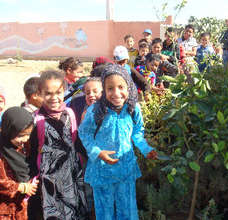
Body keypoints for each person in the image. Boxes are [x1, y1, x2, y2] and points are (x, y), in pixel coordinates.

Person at [78, 64, 157, 219]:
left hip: (125, 169)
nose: (116, 93)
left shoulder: (133, 109)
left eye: (121, 87)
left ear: (129, 87)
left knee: (127, 208)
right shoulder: (95, 110)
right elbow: (84, 132)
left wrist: (146, 149)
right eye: (110, 88)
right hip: (102, 170)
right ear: (104, 90)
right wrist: (97, 152)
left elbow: (137, 133)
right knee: (104, 211)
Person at [28, 70, 88, 220]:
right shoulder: (35, 120)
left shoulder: (69, 114)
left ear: (64, 91)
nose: (54, 98)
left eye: (58, 92)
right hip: (49, 180)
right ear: (40, 93)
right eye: (48, 93)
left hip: (71, 175)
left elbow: (76, 142)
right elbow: (31, 152)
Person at [0, 107, 39, 220]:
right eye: (21, 135)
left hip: (24, 205)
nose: (25, 139)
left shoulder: (24, 146)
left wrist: (31, 181)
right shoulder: (2, 151)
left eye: (28, 134)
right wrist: (20, 187)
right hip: (6, 209)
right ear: (9, 131)